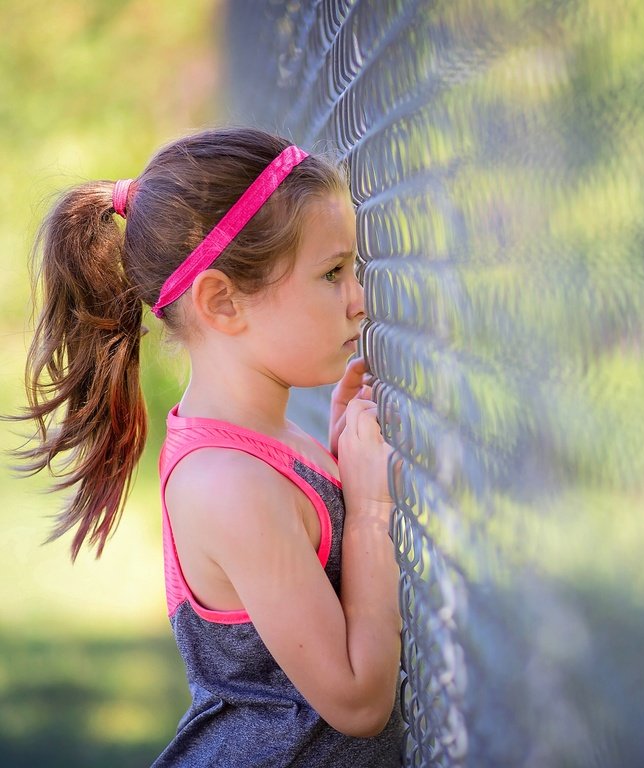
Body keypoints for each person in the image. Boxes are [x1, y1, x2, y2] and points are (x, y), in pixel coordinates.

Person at [12, 127, 403, 766]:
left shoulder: (262, 442)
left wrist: (336, 462)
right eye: (333, 273)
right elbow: (358, 703)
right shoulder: (228, 482)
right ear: (222, 302)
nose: (360, 301)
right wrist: (367, 510)